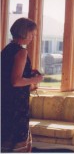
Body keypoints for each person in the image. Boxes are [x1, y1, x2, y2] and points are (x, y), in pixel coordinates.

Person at [1, 17, 44, 152]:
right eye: (32, 34)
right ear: (24, 32)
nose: (33, 37)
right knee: (18, 143)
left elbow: (7, 78)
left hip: (5, 102)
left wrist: (28, 75)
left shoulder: (6, 50)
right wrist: (35, 80)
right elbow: (15, 81)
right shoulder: (21, 52)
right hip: (16, 106)